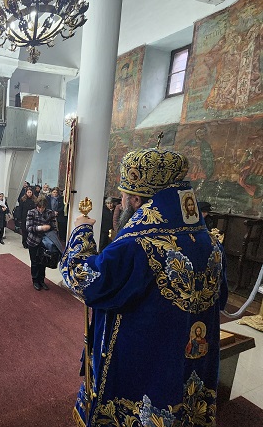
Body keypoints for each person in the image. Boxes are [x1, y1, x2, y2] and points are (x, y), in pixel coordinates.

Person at [59, 147, 227, 426]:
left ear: (136, 199)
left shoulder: (137, 244)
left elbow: (82, 278)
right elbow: (221, 298)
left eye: (124, 195)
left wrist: (81, 230)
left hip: (142, 359)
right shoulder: (210, 241)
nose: (122, 200)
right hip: (187, 357)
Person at [26, 196, 56, 291]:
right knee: (34, 262)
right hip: (33, 241)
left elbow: (54, 227)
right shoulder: (31, 212)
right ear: (37, 205)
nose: (41, 209)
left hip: (45, 242)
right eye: (39, 207)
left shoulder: (50, 213)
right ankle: (35, 281)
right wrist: (41, 228)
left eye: (43, 207)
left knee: (43, 262)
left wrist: (49, 228)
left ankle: (42, 281)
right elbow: (29, 228)